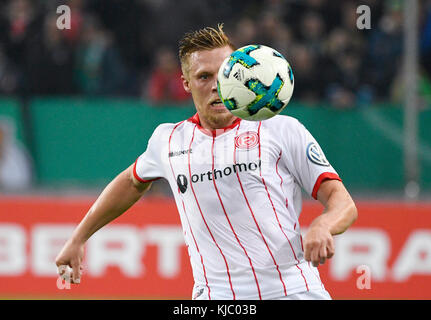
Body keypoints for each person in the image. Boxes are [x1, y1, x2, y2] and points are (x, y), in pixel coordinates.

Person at [55, 24, 357, 300]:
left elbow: (342, 201)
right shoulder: (168, 141)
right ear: (186, 83)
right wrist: (79, 237)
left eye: (225, 73)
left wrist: (322, 225)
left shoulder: (281, 129)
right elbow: (131, 182)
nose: (217, 85)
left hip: (293, 290)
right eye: (204, 77)